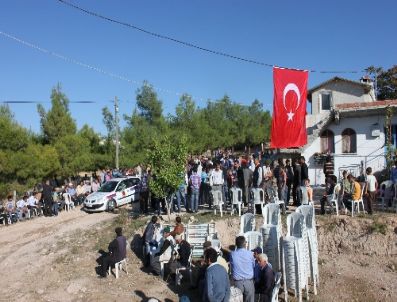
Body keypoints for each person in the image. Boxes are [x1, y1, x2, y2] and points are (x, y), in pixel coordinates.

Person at [230, 236, 255, 302]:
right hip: (249, 282)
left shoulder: (232, 254)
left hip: (238, 283)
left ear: (236, 244)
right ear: (244, 244)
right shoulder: (250, 254)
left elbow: (232, 266)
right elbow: (253, 265)